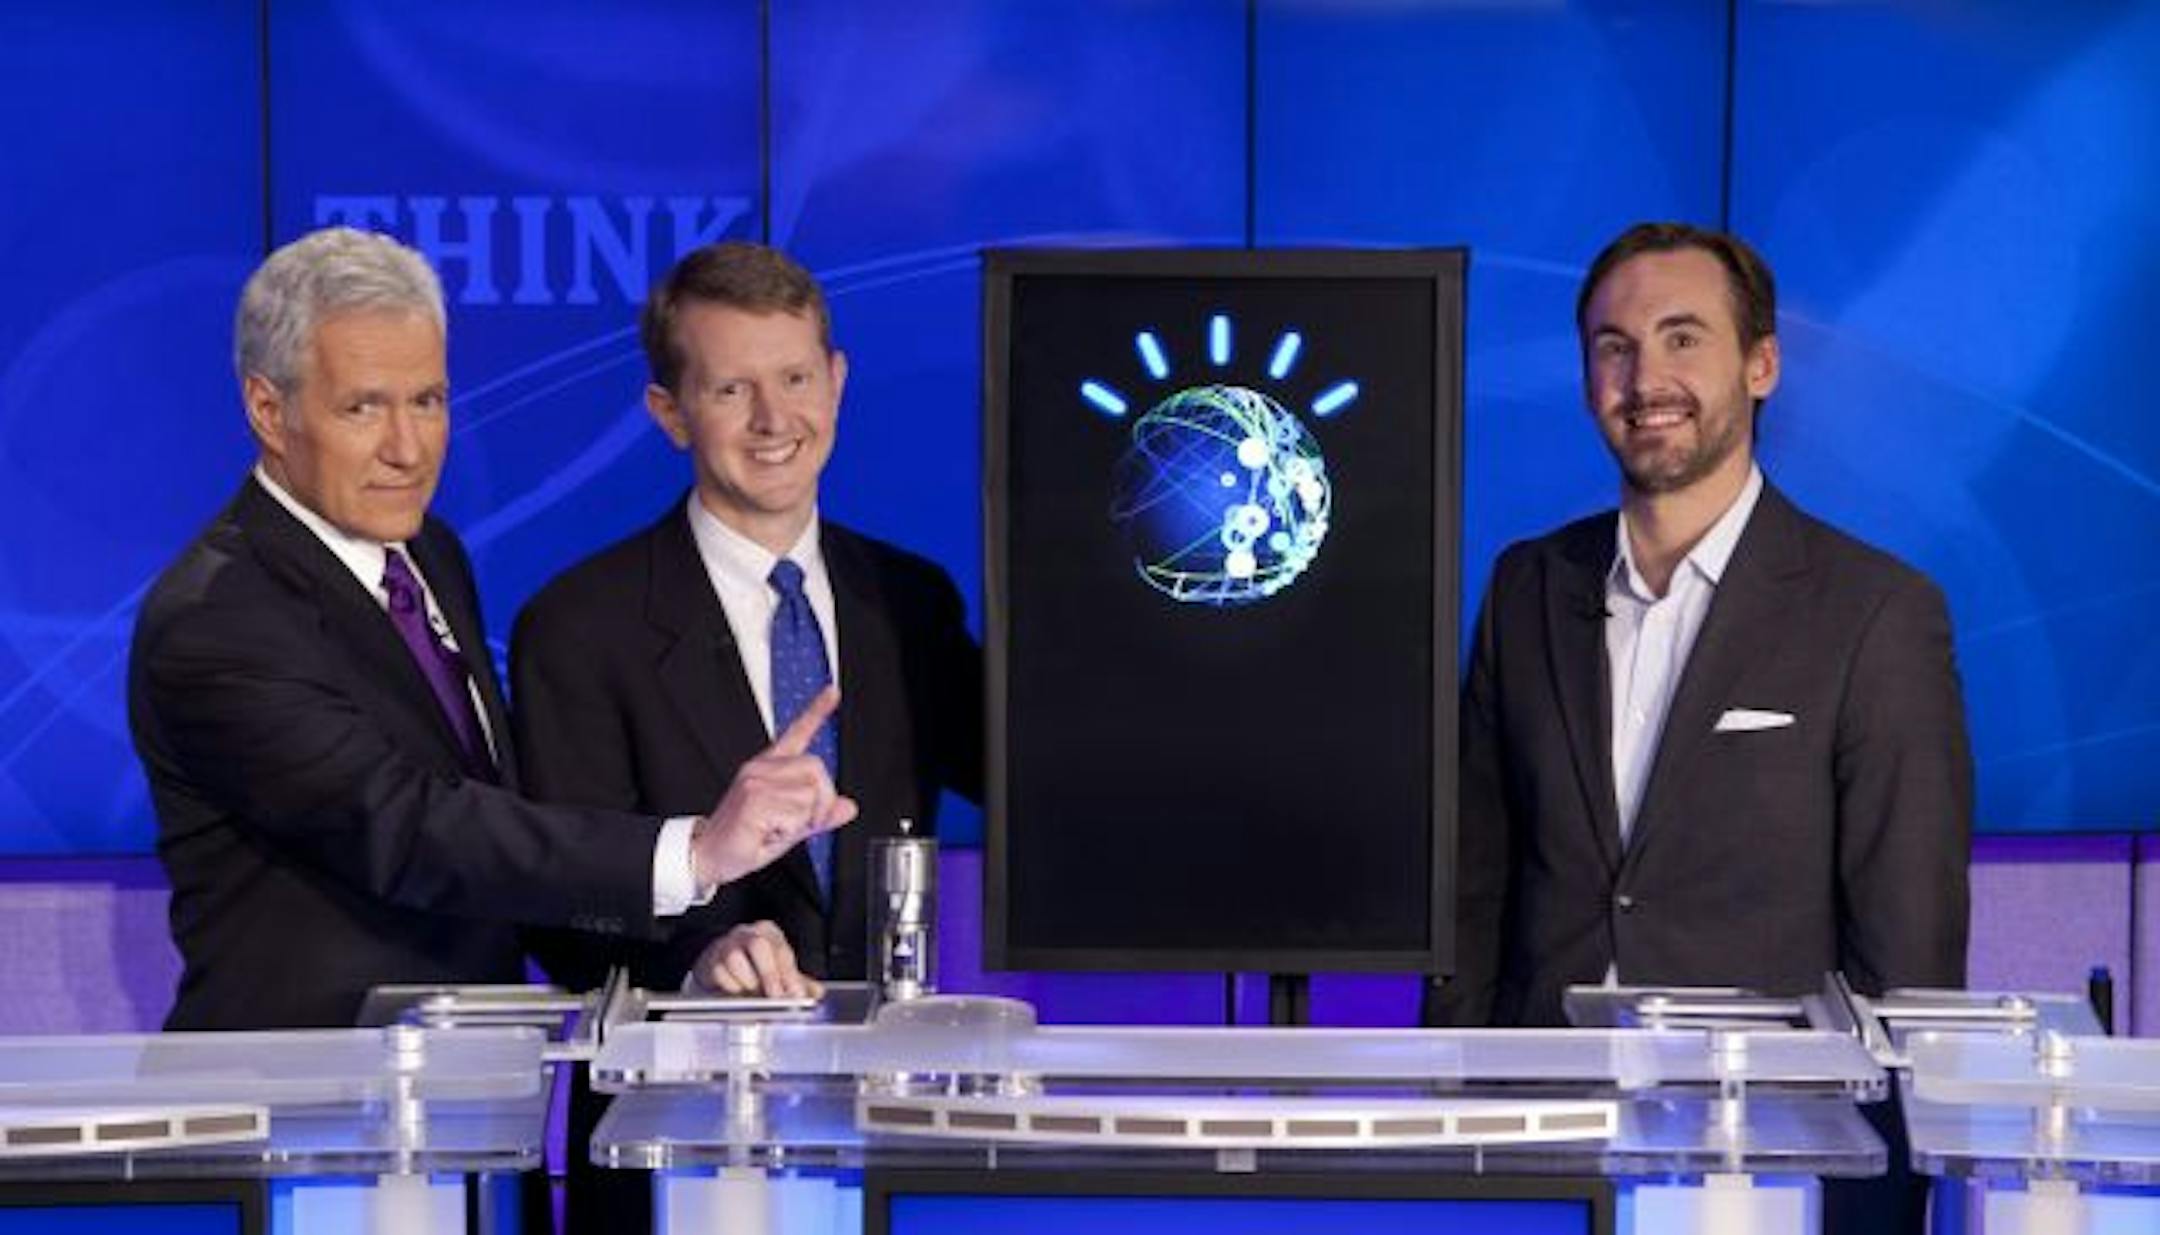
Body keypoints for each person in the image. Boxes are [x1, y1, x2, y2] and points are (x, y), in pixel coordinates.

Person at [129, 227, 854, 1033]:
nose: (407, 449)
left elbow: (504, 832)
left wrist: (693, 952)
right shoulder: (218, 620)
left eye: (427, 401)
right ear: (270, 410)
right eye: (363, 407)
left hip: (459, 1086)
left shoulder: (428, 554)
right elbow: (413, 829)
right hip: (304, 1092)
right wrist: (694, 853)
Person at [1427, 221, 1971, 1233]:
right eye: (1615, 346)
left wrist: (1880, 1206)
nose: (1646, 379)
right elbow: (1474, 892)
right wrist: (1458, 1125)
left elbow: (1908, 967)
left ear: (1760, 365)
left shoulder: (1875, 613)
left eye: (1684, 338)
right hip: (1542, 1153)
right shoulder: (1526, 588)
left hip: (1764, 1165)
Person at [509, 241, 981, 1232]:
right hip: (672, 1150)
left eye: (796, 378)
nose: (775, 419)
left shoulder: (913, 603)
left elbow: (1029, 782)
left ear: (837, 381)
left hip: (882, 1142)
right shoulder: (579, 625)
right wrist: (698, 954)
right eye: (732, 389)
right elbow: (555, 904)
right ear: (669, 411)